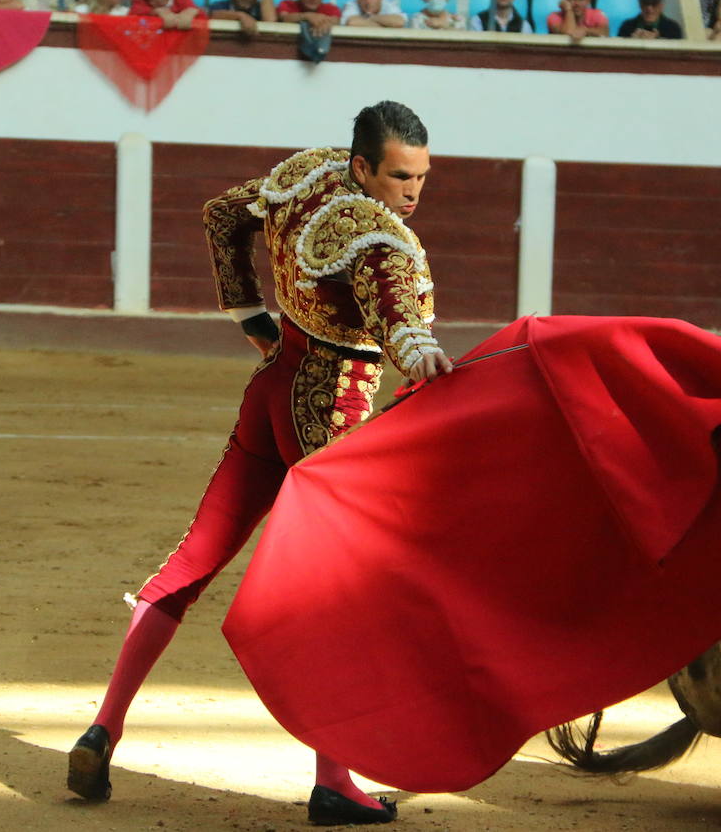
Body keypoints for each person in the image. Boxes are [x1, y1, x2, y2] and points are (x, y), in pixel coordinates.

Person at [67, 100, 450, 828]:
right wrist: (420, 355)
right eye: (400, 176)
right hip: (329, 413)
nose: (412, 193)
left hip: (273, 388)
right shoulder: (380, 242)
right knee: (341, 595)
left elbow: (221, 214)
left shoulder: (305, 173)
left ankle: (103, 728)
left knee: (194, 558)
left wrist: (247, 313)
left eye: (423, 178)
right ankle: (334, 782)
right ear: (364, 165)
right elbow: (400, 321)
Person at [617, 0, 684, 38]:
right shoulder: (627, 27)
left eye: (654, 3)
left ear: (662, 5)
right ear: (640, 3)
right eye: (645, 3)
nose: (649, 8)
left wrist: (659, 41)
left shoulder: (672, 28)